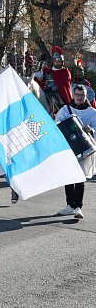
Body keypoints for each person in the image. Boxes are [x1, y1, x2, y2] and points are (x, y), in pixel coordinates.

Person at [56, 85, 96, 219]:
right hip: (68, 148)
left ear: (86, 97)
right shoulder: (65, 110)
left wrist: (90, 130)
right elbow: (57, 125)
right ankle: (69, 205)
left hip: (84, 147)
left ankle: (78, 207)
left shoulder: (92, 112)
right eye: (77, 94)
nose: (79, 97)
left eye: (82, 95)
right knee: (68, 176)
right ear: (73, 94)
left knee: (80, 177)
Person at [34, 45, 72, 115]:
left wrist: (52, 89)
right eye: (56, 61)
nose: (57, 62)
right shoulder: (47, 71)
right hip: (46, 96)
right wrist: (38, 77)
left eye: (59, 61)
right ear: (53, 61)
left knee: (62, 107)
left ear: (62, 61)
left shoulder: (65, 72)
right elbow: (38, 83)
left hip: (59, 97)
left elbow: (63, 86)